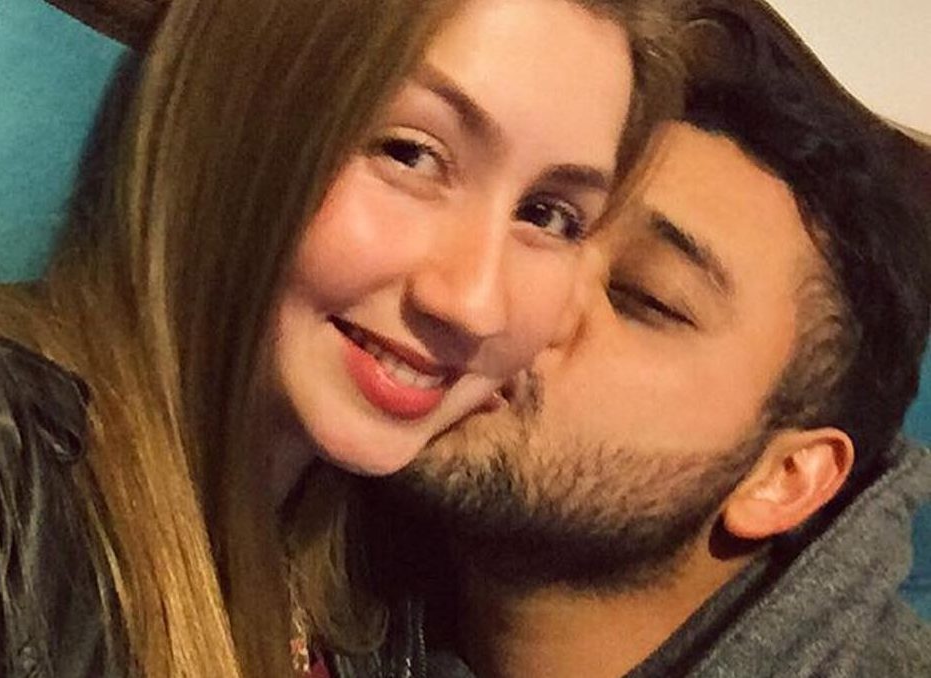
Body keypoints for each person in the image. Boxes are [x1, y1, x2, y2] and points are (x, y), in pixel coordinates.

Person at [0, 0, 681, 676]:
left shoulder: (374, 586)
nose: (475, 305)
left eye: (546, 215)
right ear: (232, 119)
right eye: (409, 154)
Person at [340, 1, 931, 676]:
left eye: (645, 298)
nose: (515, 301)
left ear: (783, 480)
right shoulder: (309, 542)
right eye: (550, 225)